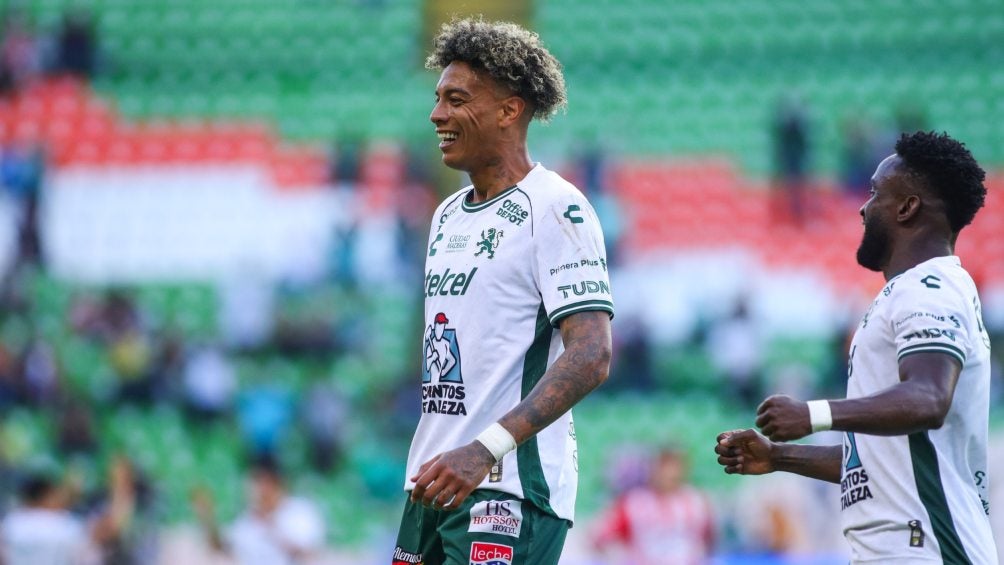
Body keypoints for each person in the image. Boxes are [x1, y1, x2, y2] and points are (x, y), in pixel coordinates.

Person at [715, 131, 997, 564]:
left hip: (929, 549)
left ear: (907, 207)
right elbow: (881, 460)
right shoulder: (913, 292)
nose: (864, 208)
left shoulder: (929, 288)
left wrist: (813, 414)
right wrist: (779, 457)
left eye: (875, 193)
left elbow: (929, 398)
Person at [396, 17, 614, 565]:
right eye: (437, 98)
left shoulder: (556, 207)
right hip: (433, 481)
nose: (436, 114)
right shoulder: (447, 214)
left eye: (456, 99)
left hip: (507, 487)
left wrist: (485, 450)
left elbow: (592, 354)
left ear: (509, 111)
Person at [192, 456, 325, 565]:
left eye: (262, 483)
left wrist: (270, 526)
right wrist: (208, 518)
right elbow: (222, 548)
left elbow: (309, 553)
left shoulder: (300, 511)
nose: (257, 490)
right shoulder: (248, 519)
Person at [592, 446, 714, 565]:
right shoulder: (634, 502)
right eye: (664, 467)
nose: (669, 473)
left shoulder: (696, 501)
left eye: (674, 467)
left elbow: (708, 540)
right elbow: (602, 538)